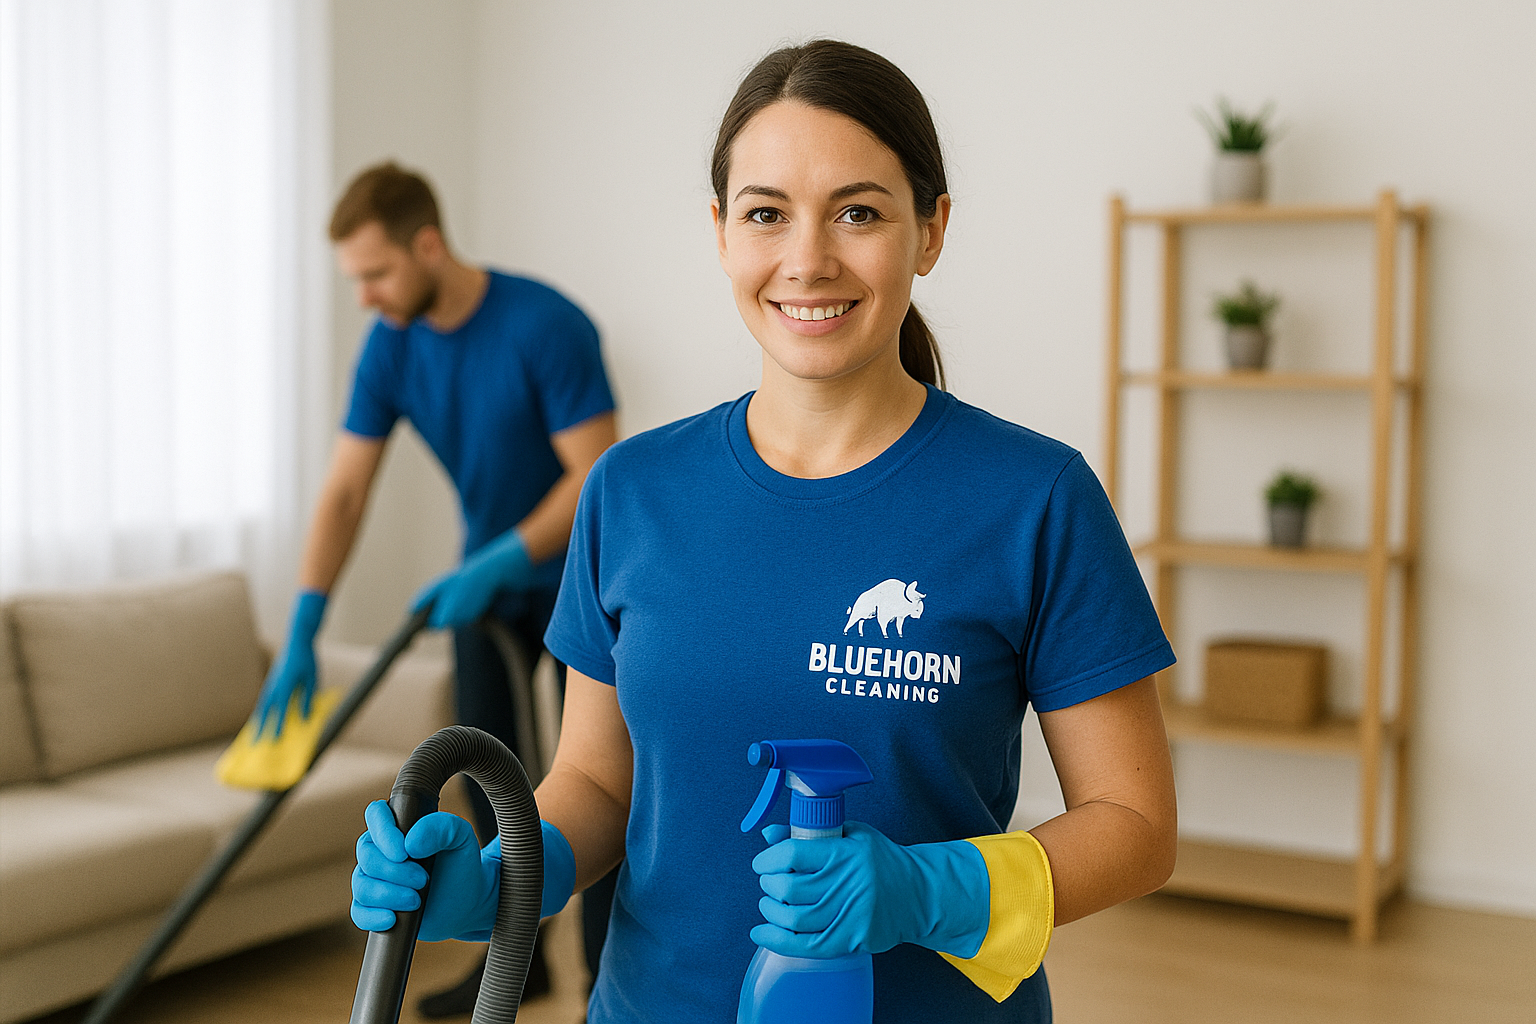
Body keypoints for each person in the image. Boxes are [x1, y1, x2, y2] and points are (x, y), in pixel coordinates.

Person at [350, 42, 1177, 1022]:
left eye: (859, 211)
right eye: (766, 213)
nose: (808, 260)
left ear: (931, 229)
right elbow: (596, 784)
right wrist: (496, 880)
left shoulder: (1034, 497)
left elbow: (1134, 825)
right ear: (722, 231)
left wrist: (929, 889)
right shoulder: (631, 490)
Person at [253, 162, 619, 1015]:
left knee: (598, 780)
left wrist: (499, 556)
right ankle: (514, 963)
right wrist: (306, 622)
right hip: (485, 591)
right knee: (491, 777)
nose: (365, 296)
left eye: (375, 274)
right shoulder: (391, 346)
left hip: (585, 583)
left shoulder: (544, 324)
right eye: (354, 279)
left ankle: (604, 979)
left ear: (428, 244)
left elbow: (595, 474)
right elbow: (346, 490)